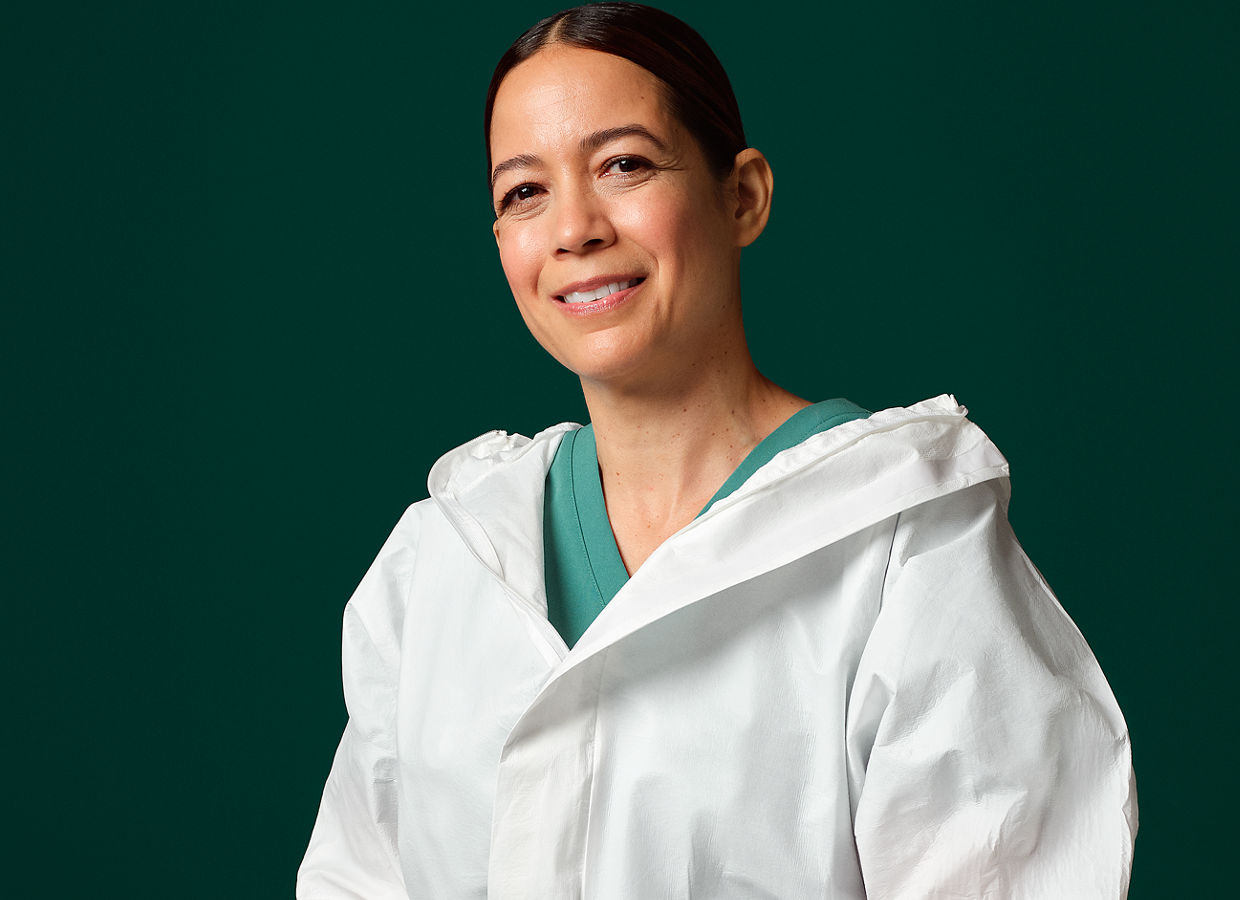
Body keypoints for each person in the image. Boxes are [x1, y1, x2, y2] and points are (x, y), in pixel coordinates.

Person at [297, 3, 1137, 897]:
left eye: (623, 165)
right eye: (524, 192)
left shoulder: (904, 549)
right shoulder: (444, 560)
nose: (574, 228)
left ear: (743, 196)